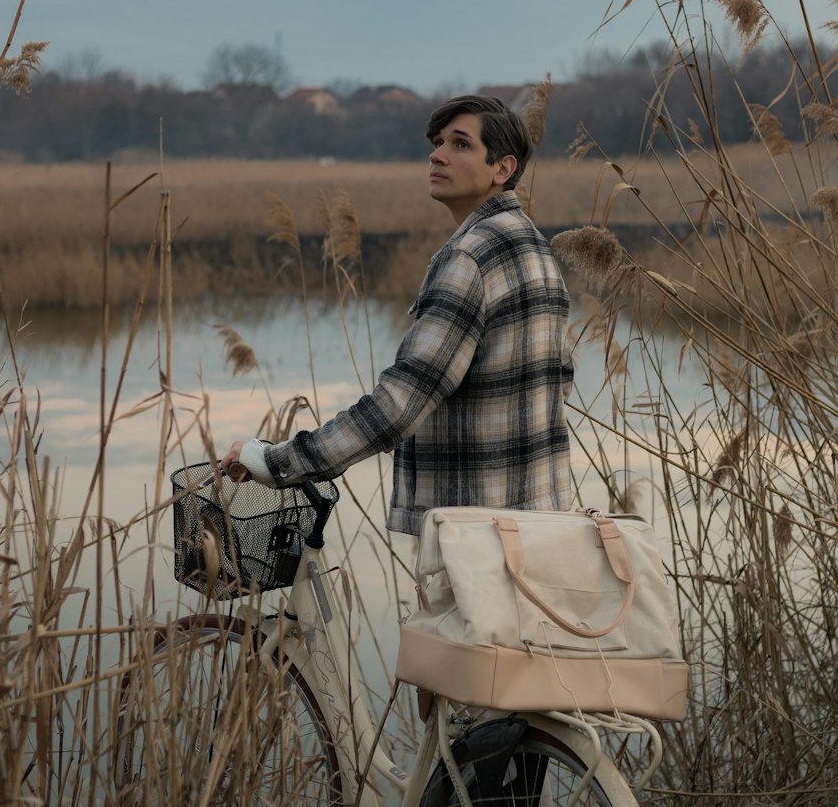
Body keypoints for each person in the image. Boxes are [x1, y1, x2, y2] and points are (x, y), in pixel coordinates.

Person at [220, 94, 573, 534]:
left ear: (502, 169)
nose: (437, 154)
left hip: (478, 535)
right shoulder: (535, 247)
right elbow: (556, 384)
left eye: (460, 145)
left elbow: (399, 405)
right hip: (543, 523)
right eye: (438, 141)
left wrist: (275, 462)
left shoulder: (469, 259)